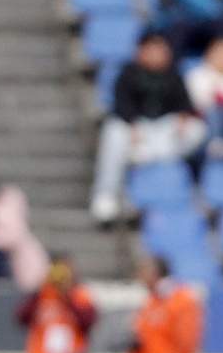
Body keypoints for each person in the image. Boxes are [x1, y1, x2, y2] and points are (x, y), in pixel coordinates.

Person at [88, 31, 206, 224]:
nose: (157, 54)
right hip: (135, 129)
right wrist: (133, 125)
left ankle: (153, 162)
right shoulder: (128, 73)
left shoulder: (174, 74)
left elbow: (185, 106)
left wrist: (183, 118)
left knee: (197, 129)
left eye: (161, 50)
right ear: (141, 52)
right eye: (152, 50)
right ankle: (106, 195)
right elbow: (121, 106)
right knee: (113, 131)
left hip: (163, 132)